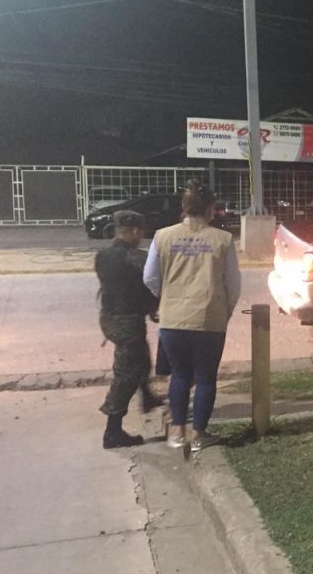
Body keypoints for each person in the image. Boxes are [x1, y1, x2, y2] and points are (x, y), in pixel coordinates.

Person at [144, 180, 241, 452]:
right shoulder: (223, 239)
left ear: (184, 207)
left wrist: (168, 296)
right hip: (209, 318)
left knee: (179, 375)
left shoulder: (162, 236)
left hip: (173, 319)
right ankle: (199, 434)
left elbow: (150, 277)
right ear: (210, 208)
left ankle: (177, 433)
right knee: (206, 377)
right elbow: (233, 284)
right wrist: (225, 311)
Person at [95, 210, 163, 449]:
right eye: (140, 232)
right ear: (134, 231)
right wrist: (154, 307)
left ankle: (147, 397)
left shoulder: (103, 256)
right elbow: (150, 286)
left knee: (142, 359)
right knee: (126, 375)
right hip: (128, 322)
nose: (141, 236)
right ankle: (112, 431)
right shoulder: (138, 258)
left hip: (109, 318)